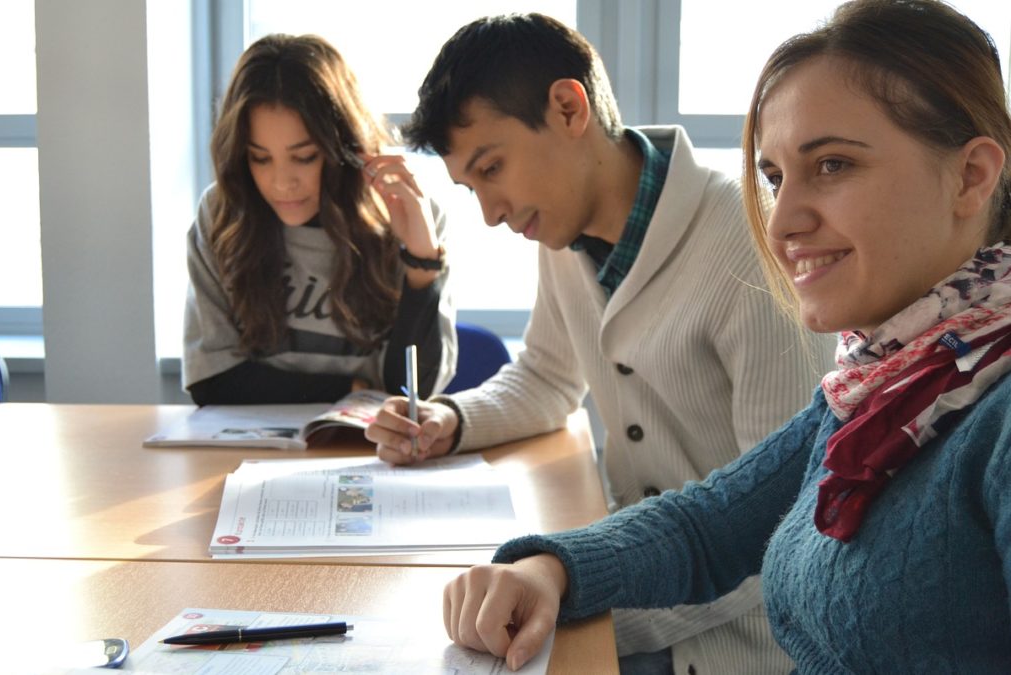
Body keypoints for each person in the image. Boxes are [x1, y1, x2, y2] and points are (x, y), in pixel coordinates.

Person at [439, 0, 1011, 672]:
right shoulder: (883, 380)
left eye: (832, 165)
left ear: (972, 176)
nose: (781, 222)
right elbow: (709, 524)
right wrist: (550, 569)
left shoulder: (989, 418)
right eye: (774, 177)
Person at [365, 13, 832, 675]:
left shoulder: (746, 245)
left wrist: (588, 602)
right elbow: (548, 377)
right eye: (472, 189)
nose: (491, 213)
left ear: (567, 106)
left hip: (730, 641)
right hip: (627, 577)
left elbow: (779, 526)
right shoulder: (563, 233)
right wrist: (454, 419)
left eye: (492, 168)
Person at [183, 34, 457, 405]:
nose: (282, 183)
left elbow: (411, 392)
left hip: (369, 452)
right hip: (249, 452)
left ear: (342, 149)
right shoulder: (222, 214)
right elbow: (212, 381)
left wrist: (422, 263)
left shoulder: (404, 216)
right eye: (260, 158)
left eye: (305, 157)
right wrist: (350, 390)